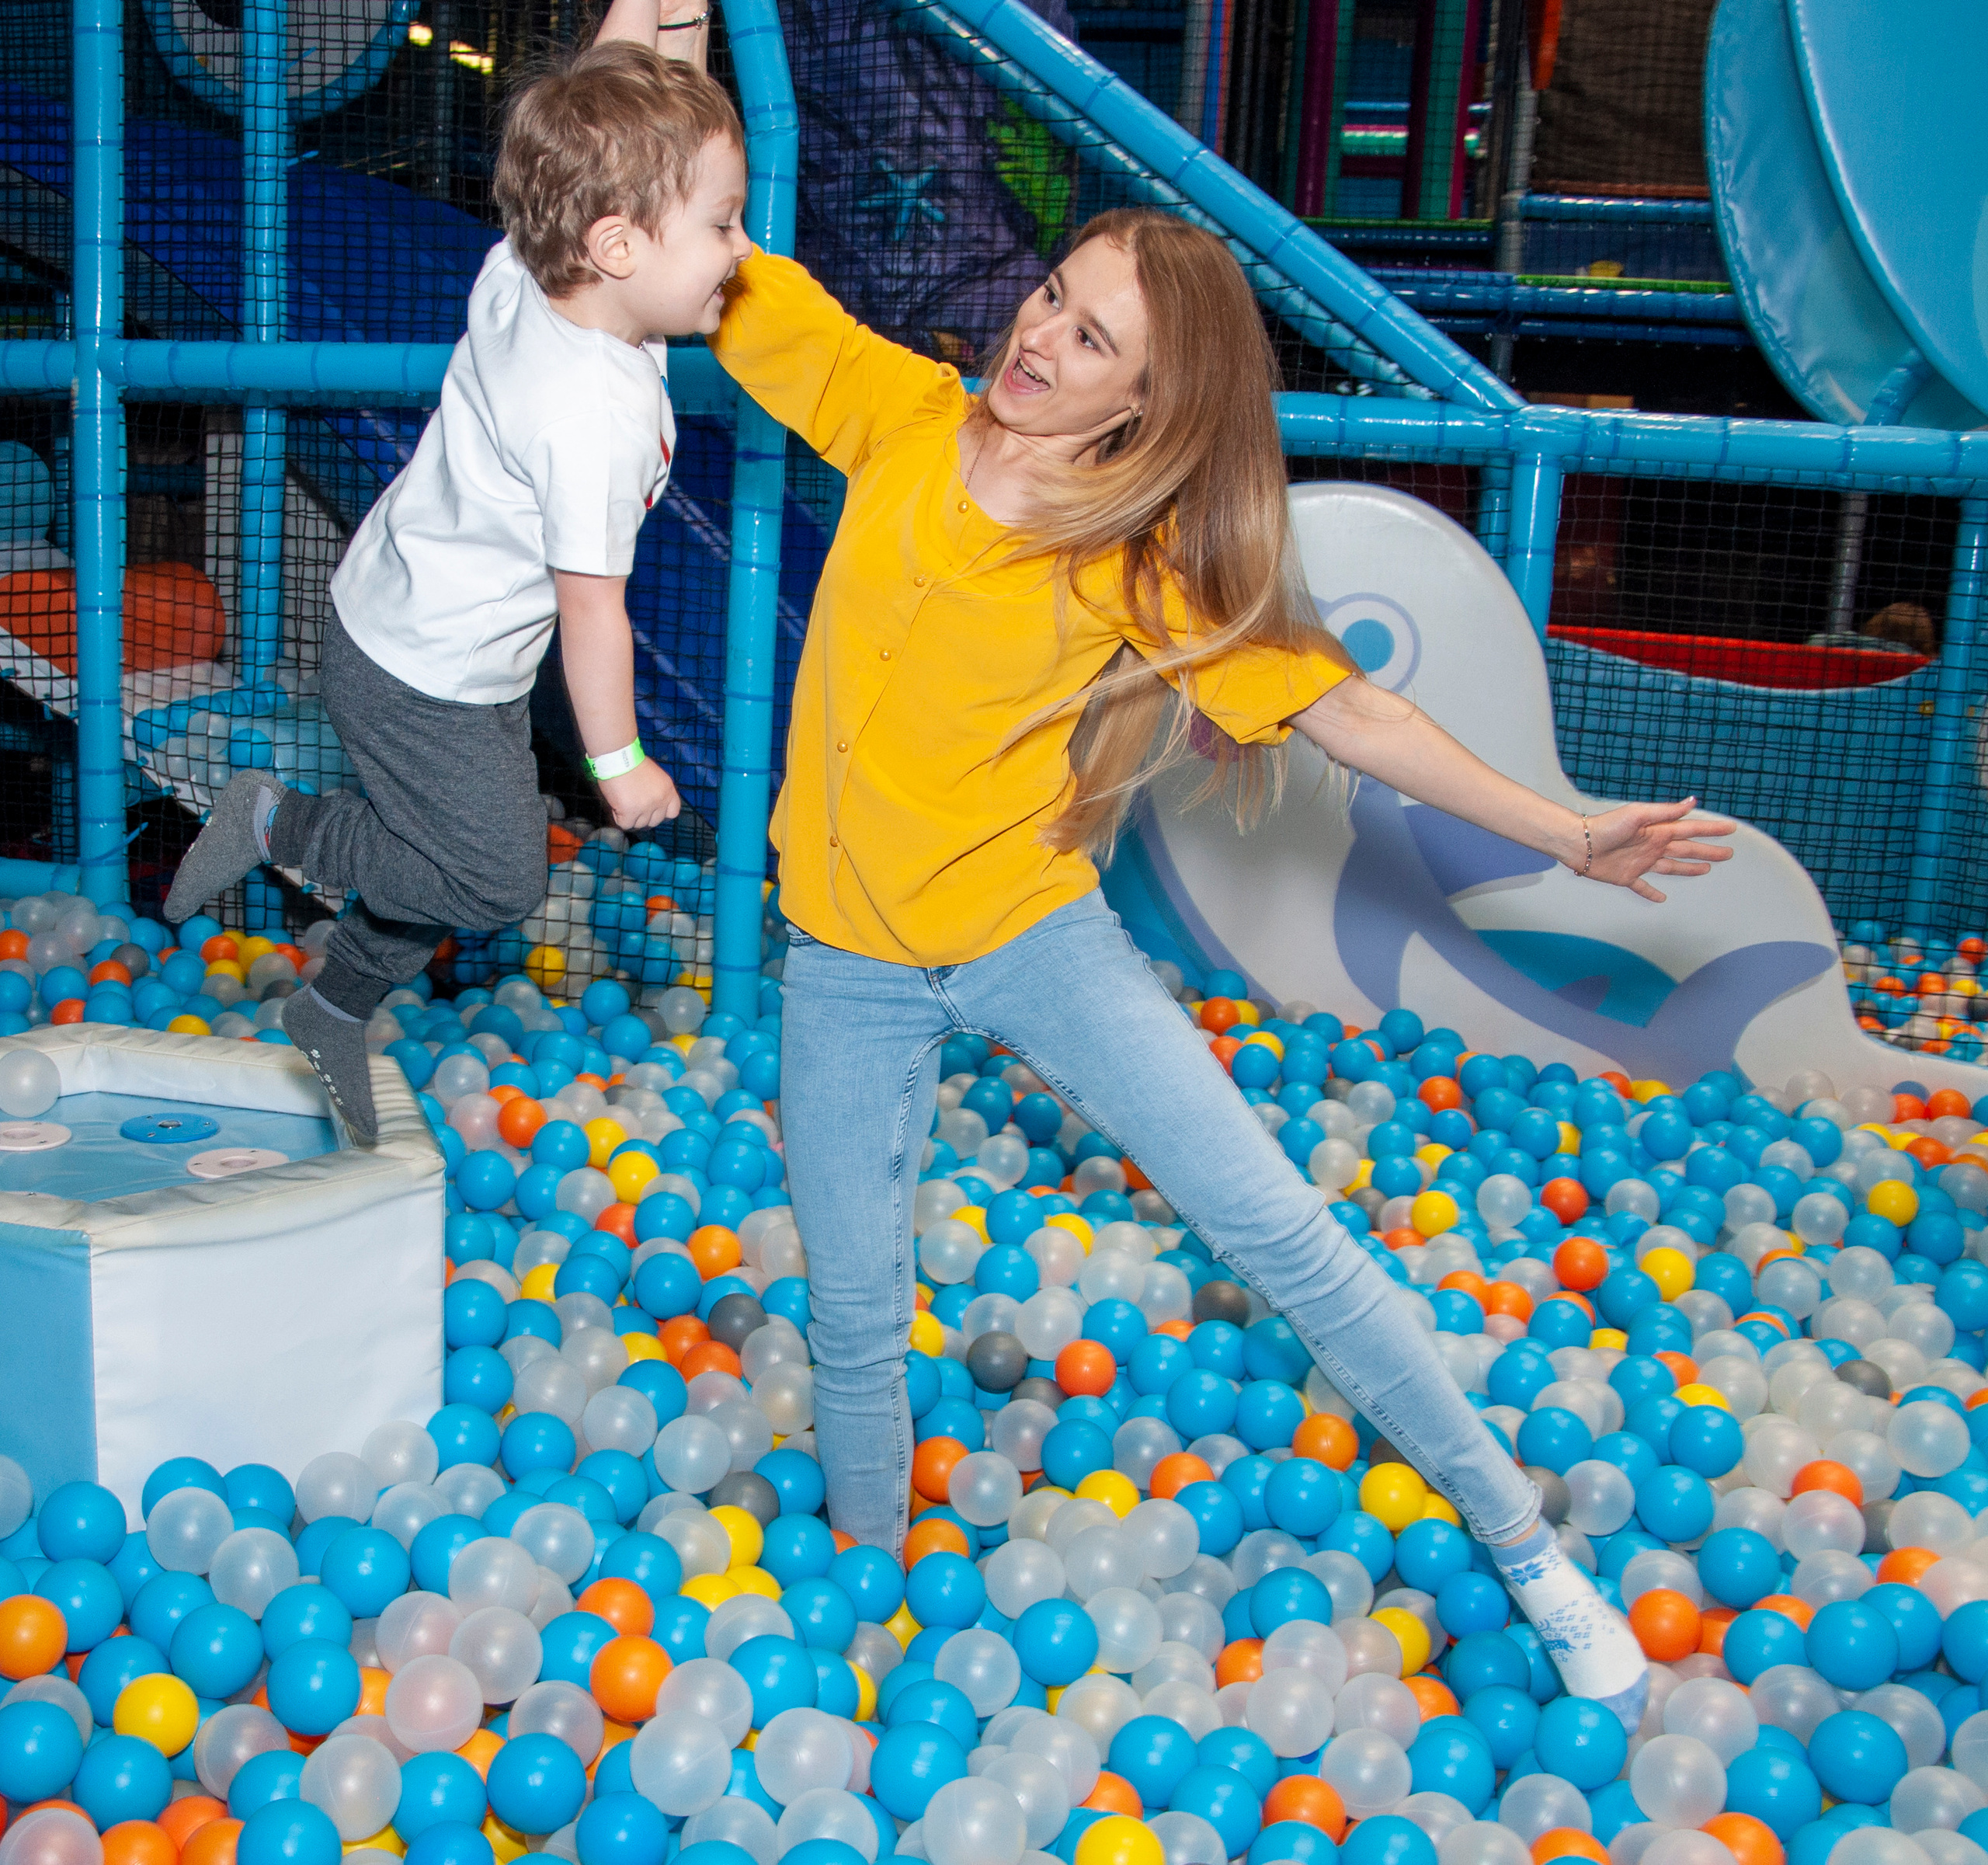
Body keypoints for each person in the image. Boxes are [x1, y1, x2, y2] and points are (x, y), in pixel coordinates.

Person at [688, 203, 1736, 1731]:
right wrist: (639, 50)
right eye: (1050, 294)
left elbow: (1343, 710)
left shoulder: (1132, 553)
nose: (1037, 338)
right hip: (843, 961)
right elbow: (713, 273)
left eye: (1089, 338)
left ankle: (1526, 1549)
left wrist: (1561, 830)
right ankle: (868, 1626)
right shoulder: (899, 412)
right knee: (854, 1316)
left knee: (1278, 1229)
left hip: (1027, 932)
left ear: (1144, 406)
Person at [165, 35, 746, 1141]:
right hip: (414, 667)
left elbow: (609, 92)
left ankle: (332, 1006)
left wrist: (670, 21)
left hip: (433, 634)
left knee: (453, 857)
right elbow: (593, 610)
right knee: (490, 881)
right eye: (721, 221)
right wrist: (618, 765)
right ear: (620, 243)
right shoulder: (592, 418)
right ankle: (273, 817)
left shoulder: (535, 270)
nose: (740, 246)